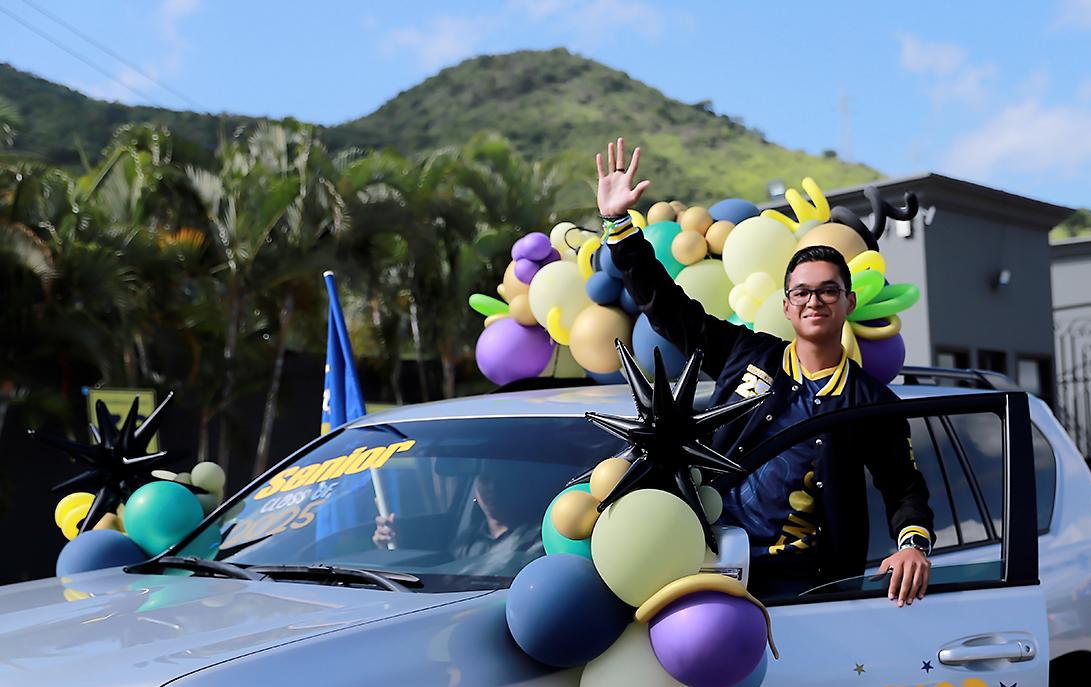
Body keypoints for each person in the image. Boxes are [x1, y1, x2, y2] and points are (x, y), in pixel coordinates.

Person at [595, 138, 933, 606]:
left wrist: (912, 546)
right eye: (802, 293)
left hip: (803, 590)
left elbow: (904, 488)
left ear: (849, 302)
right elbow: (667, 309)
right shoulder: (744, 351)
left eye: (829, 290)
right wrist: (618, 225)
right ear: (786, 306)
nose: (814, 300)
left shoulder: (872, 403)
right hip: (699, 565)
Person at [373, 467, 543, 578]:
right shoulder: (467, 539)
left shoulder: (537, 540)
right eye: (485, 479)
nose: (493, 488)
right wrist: (392, 549)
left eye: (503, 481)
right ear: (475, 488)